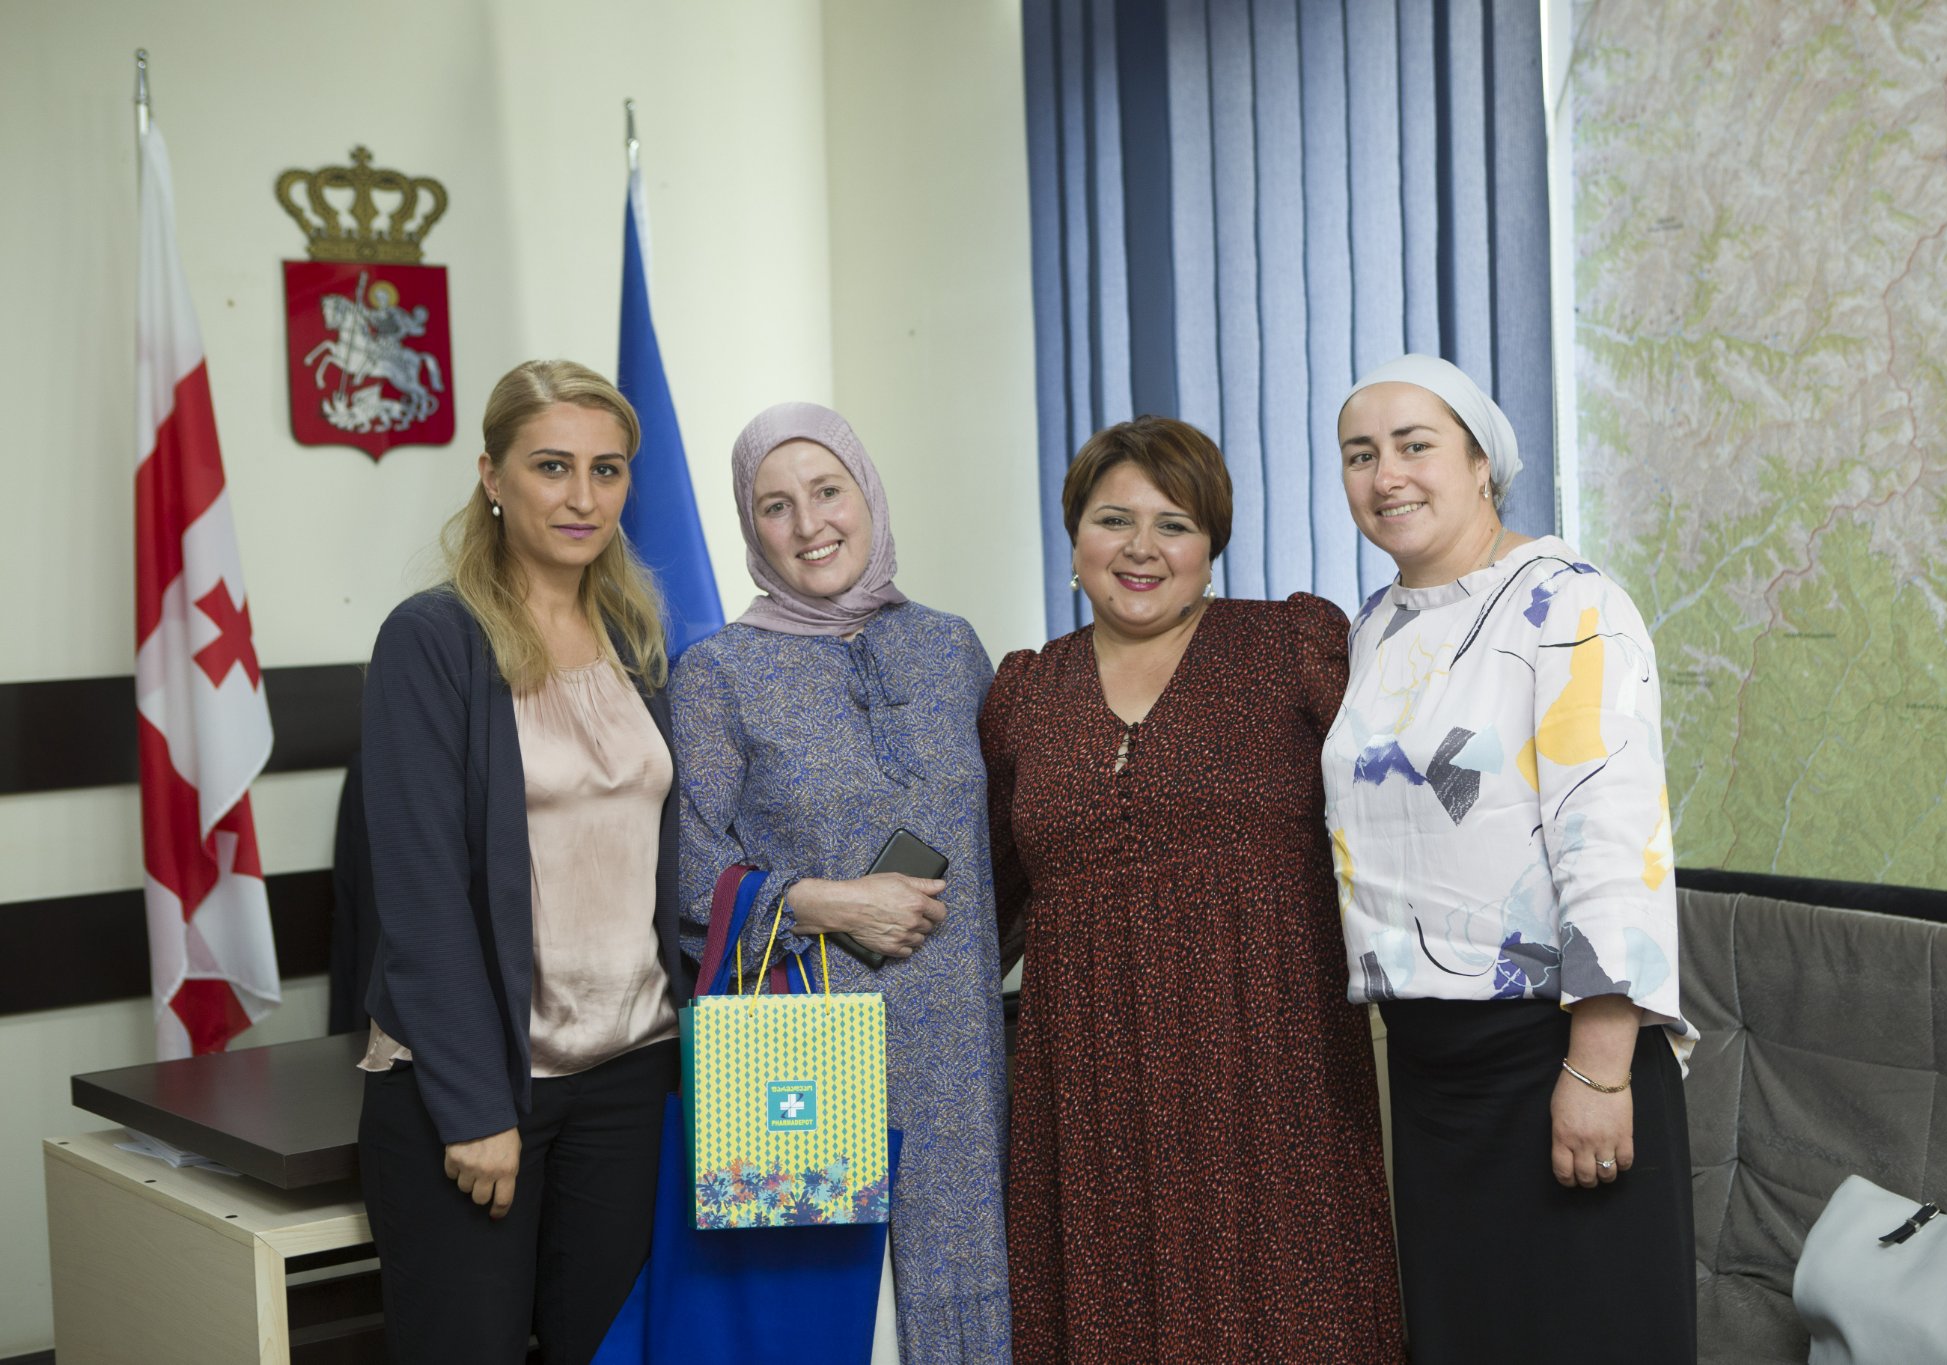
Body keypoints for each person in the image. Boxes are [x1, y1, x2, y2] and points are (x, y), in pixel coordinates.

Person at [981, 417, 1405, 1363]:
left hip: (1273, 1079)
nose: (1141, 547)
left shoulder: (1290, 648)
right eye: (1113, 519)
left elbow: (1405, 822)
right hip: (1088, 1096)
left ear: (1211, 544)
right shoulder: (1025, 694)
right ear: (1075, 535)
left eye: (1173, 523)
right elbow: (987, 903)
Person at [1323, 354, 1697, 1362]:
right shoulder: (1375, 627)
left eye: (1414, 446)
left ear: (1481, 462)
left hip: (1555, 1051)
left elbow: (1610, 841)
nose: (1386, 475)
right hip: (1432, 1072)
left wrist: (1599, 1071)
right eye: (1360, 454)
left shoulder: (1571, 604)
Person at [355, 360, 686, 1364]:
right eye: (552, 466)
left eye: (606, 469)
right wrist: (473, 1107)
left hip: (631, 1070)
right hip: (484, 1081)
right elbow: (420, 896)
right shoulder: (432, 639)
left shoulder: (634, 634)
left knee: (610, 1351)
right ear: (492, 474)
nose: (583, 496)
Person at [669, 402, 1012, 1362]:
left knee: (966, 1301)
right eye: (775, 505)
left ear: (869, 495)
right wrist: (823, 900)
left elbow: (1009, 840)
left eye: (828, 491)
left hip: (960, 1050)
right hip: (807, 1057)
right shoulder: (717, 672)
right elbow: (689, 872)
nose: (809, 523)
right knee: (841, 1327)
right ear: (750, 527)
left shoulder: (951, 647)